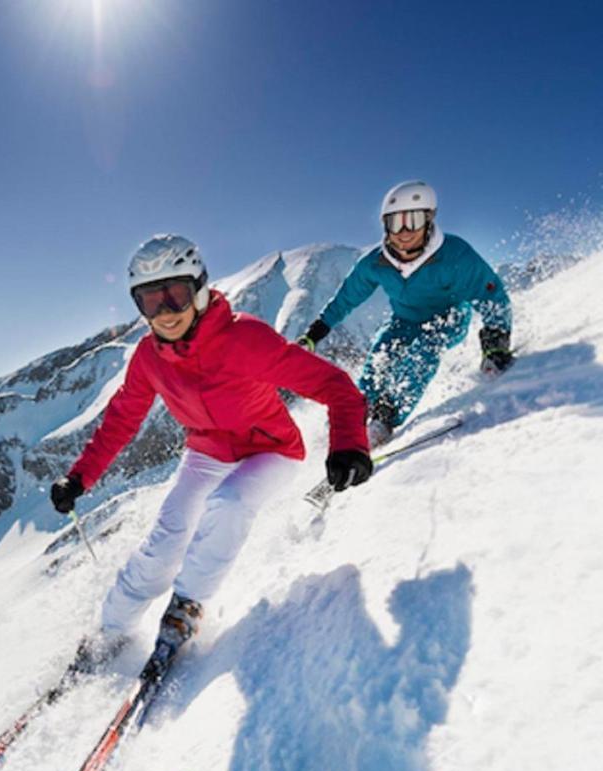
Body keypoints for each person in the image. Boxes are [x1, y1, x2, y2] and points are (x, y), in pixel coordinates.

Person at [51, 234, 371, 663]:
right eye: (150, 302)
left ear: (199, 290)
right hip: (207, 451)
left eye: (175, 296)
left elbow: (336, 387)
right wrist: (78, 477)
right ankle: (111, 629)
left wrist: (349, 444)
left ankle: (187, 607)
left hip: (271, 451)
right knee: (167, 536)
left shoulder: (246, 340)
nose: (164, 313)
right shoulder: (149, 357)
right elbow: (121, 420)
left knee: (230, 502)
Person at [299, 180, 514, 447]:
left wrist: (495, 342)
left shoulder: (454, 254)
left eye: (411, 220)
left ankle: (385, 417)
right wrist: (315, 332)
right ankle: (354, 416)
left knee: (426, 347)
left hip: (448, 317)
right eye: (394, 222)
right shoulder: (376, 263)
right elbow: (345, 299)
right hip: (404, 321)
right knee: (381, 355)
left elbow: (490, 294)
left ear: (429, 219)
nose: (403, 232)